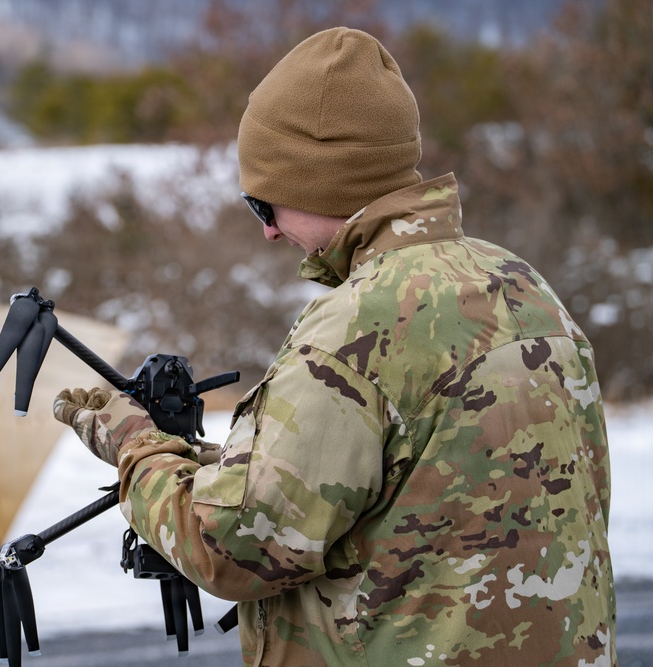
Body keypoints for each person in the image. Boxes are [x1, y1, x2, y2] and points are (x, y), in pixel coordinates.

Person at [53, 27, 616, 666]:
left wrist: (136, 448)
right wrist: (213, 461)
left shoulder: (355, 332)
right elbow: (421, 492)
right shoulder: (522, 287)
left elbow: (237, 548)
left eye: (261, 203)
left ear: (319, 185)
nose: (267, 232)